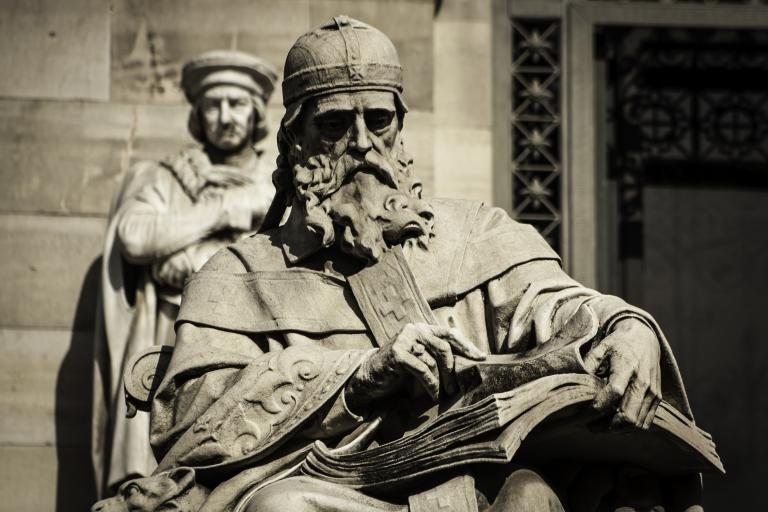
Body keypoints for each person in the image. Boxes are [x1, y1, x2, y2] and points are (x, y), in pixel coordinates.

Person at [93, 17, 702, 512]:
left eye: (377, 119)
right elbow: (192, 425)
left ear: (400, 128)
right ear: (295, 140)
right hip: (335, 495)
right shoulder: (236, 274)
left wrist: (626, 326)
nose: (360, 142)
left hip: (486, 488)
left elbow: (555, 303)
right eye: (335, 122)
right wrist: (360, 375)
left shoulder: (475, 232)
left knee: (536, 497)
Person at [91, 50, 278, 496]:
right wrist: (221, 212)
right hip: (170, 342)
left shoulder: (276, 183)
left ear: (255, 113)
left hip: (250, 343)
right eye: (213, 105)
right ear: (198, 115)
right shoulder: (165, 178)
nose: (225, 116)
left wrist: (195, 260)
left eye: (236, 104)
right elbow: (135, 238)